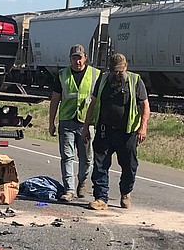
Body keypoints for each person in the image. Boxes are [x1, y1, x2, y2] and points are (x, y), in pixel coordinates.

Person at [83, 53, 150, 210]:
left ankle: (125, 193)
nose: (117, 74)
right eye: (114, 71)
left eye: (120, 71)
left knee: (129, 165)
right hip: (105, 130)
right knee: (100, 164)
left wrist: (143, 126)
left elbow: (145, 105)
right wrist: (86, 126)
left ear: (125, 67)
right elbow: (93, 104)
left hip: (127, 133)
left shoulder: (135, 81)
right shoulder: (103, 80)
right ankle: (100, 198)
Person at [48, 44, 100, 202]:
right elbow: (55, 99)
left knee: (86, 158)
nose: (77, 61)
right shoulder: (62, 74)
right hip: (67, 121)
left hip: (87, 122)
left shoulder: (96, 75)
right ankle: (69, 189)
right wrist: (51, 122)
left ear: (85, 58)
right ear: (70, 59)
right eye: (74, 57)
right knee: (67, 157)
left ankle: (82, 181)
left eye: (80, 57)